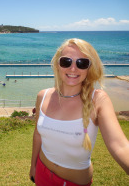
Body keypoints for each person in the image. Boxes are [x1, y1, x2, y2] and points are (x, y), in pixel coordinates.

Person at [29, 38, 129, 185]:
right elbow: (38, 135)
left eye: (82, 63)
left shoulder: (97, 100)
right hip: (42, 173)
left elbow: (120, 145)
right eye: (66, 61)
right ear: (57, 65)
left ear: (89, 68)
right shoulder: (42, 96)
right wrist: (33, 166)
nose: (73, 68)